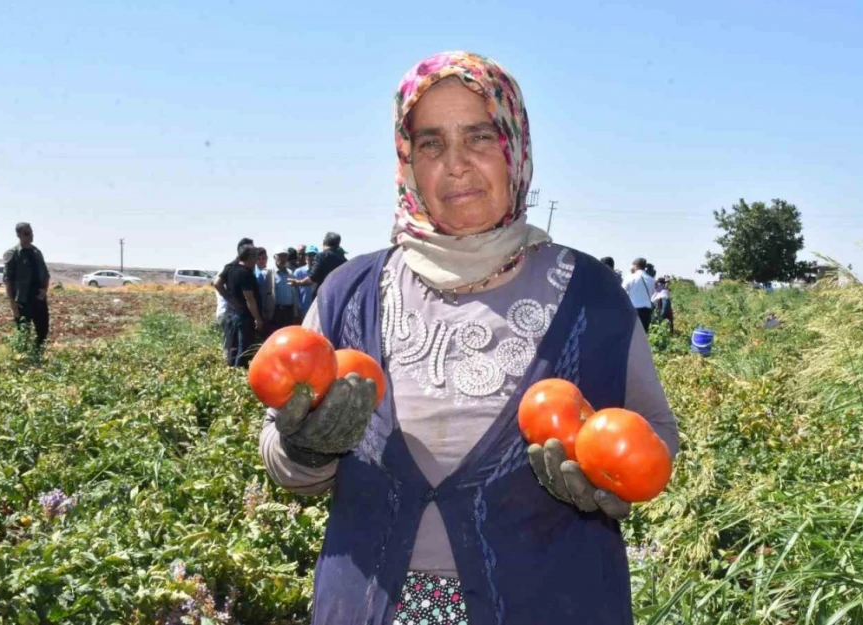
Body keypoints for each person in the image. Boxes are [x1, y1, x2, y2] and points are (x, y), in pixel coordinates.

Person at [257, 51, 678, 625]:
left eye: (479, 137)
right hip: (368, 604)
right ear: (406, 161)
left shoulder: (592, 294)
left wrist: (612, 482)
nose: (455, 165)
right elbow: (282, 456)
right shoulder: (347, 292)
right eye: (430, 143)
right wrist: (306, 449)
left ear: (514, 148)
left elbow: (657, 433)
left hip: (552, 602)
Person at [2, 222, 51, 350]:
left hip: (39, 298)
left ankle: (37, 356)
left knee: (43, 331)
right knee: (23, 333)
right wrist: (12, 302)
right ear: (18, 235)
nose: (30, 236)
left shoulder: (36, 252)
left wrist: (44, 290)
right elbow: (7, 279)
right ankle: (22, 359)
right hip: (22, 300)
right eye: (27, 233)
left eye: (31, 232)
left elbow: (46, 274)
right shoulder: (12, 253)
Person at [222, 243, 264, 368]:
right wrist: (257, 318)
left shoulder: (231, 270)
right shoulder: (246, 274)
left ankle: (232, 372)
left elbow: (217, 284)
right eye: (255, 257)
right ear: (250, 258)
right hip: (244, 316)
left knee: (233, 346)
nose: (257, 260)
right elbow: (249, 299)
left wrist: (230, 300)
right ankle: (238, 372)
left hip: (233, 313)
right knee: (244, 347)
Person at [263, 249, 300, 333]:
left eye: (285, 256)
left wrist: (296, 312)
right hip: (276, 312)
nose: (282, 259)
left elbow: (294, 293)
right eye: (280, 256)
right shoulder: (268, 273)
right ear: (274, 257)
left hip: (289, 311)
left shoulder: (290, 273)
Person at [622, 257, 656, 332]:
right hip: (647, 311)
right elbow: (652, 293)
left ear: (636, 266)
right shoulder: (651, 279)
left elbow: (622, 292)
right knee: (643, 335)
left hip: (634, 309)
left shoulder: (630, 277)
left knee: (631, 334)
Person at [291, 245, 318, 322]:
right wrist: (298, 308)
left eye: (313, 255)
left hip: (316, 309)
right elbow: (295, 292)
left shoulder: (319, 272)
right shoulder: (298, 272)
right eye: (308, 255)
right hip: (303, 309)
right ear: (305, 256)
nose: (310, 258)